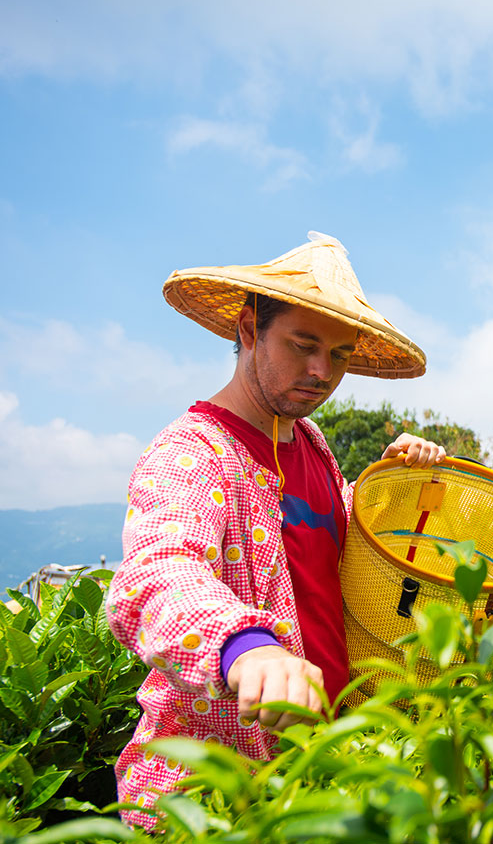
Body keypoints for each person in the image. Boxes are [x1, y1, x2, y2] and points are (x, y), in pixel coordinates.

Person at [106, 232, 447, 825]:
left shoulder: (312, 445)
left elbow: (340, 556)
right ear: (247, 329)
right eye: (303, 344)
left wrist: (391, 487)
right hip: (216, 791)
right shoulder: (192, 453)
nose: (321, 372)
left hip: (325, 765)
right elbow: (159, 570)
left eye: (339, 355)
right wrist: (248, 648)